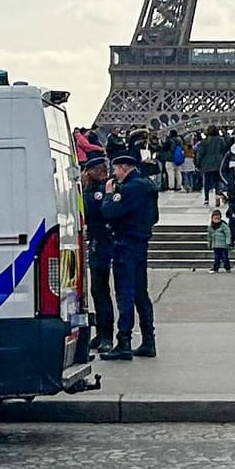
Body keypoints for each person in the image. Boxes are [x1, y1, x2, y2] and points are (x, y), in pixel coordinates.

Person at [98, 151, 159, 360]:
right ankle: (148, 340)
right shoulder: (147, 186)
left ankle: (124, 341)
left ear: (123, 168)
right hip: (141, 242)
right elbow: (155, 217)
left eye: (116, 169)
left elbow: (109, 211)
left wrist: (108, 194)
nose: (114, 174)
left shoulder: (130, 188)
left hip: (126, 243)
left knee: (124, 293)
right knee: (141, 292)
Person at [79, 155, 116, 348]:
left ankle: (107, 335)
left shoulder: (98, 192)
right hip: (97, 242)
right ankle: (102, 333)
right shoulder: (95, 190)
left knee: (101, 290)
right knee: (97, 290)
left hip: (102, 243)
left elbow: (92, 211)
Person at [197, 127, 228, 205]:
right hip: (218, 163)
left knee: (207, 181)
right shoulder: (221, 140)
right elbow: (224, 150)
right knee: (217, 181)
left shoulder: (204, 141)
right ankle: (217, 196)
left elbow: (200, 153)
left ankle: (206, 198)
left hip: (206, 163)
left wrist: (198, 163)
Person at [208, 208, 233, 272]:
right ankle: (216, 268)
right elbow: (209, 236)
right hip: (215, 245)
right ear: (212, 218)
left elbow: (228, 233)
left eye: (218, 219)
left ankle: (227, 268)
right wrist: (209, 244)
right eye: (215, 219)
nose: (216, 220)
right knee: (216, 258)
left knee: (225, 257)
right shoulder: (211, 227)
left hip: (223, 245)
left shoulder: (223, 225)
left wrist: (228, 241)